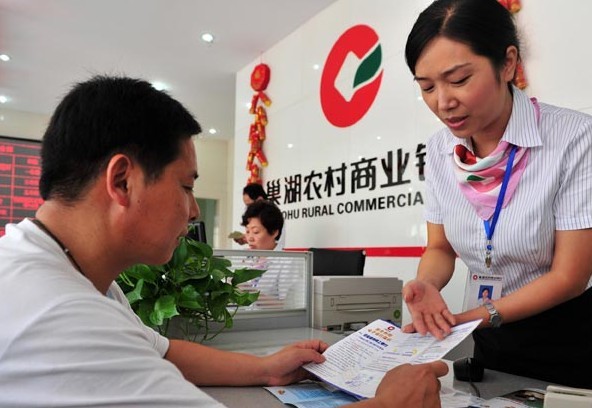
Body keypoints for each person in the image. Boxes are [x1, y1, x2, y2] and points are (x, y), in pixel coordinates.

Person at [0, 75, 448, 407]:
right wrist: (390, 405)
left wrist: (265, 368)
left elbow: (163, 350)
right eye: (186, 186)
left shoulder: (70, 270)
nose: (193, 212)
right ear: (123, 181)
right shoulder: (57, 312)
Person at [401, 0, 592, 388]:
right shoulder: (440, 151)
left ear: (507, 63)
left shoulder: (573, 138)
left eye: (458, 80)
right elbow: (439, 248)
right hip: (490, 335)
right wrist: (427, 285)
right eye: (427, 87)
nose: (442, 101)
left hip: (569, 337)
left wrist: (474, 316)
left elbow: (570, 276)